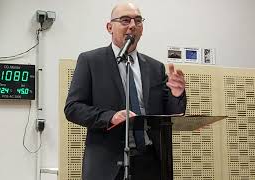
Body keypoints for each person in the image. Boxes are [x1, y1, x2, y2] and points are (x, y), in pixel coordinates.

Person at [64, 2, 186, 180]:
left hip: (151, 161)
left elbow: (171, 115)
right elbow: (73, 108)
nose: (132, 26)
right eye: (125, 20)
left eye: (138, 21)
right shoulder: (90, 61)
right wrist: (110, 117)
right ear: (109, 27)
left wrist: (177, 94)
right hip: (108, 163)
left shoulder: (155, 67)